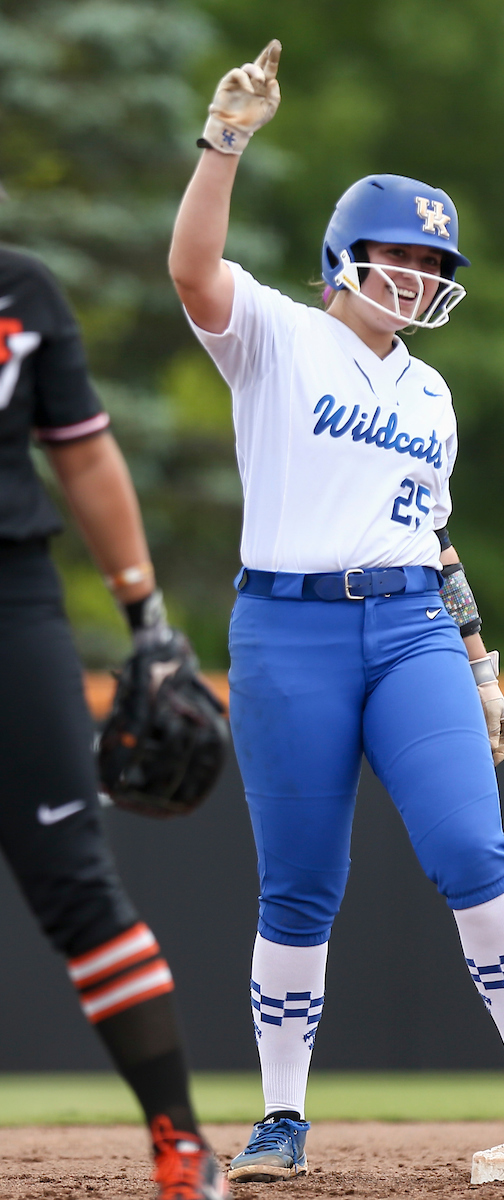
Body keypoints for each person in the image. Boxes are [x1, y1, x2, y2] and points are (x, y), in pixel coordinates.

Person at [169, 40, 504, 1185]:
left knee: (469, 843)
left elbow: (431, 531)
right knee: (299, 881)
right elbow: (193, 270)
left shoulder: (429, 387)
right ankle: (281, 1117)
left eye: (429, 258)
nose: (414, 273)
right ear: (342, 259)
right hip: (286, 629)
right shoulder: (275, 335)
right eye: (396, 253)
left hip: (407, 625)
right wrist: (226, 144)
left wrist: (478, 657)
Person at [0, 191, 227, 1199]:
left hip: (10, 602)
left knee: (77, 880)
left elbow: (83, 451)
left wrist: (146, 617)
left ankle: (180, 1144)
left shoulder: (20, 289)